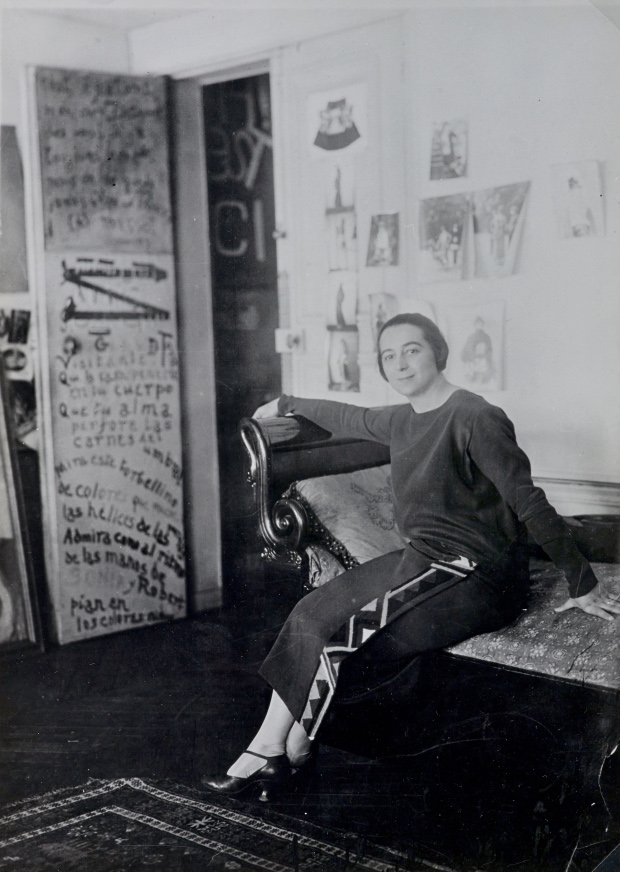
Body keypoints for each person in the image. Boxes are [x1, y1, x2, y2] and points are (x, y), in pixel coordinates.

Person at [201, 313, 618, 801]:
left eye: (412, 349)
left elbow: (529, 502)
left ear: (438, 352)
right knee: (310, 612)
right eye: (388, 355)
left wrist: (582, 582)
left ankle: (271, 751)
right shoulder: (401, 420)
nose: (400, 363)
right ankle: (287, 749)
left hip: (477, 575)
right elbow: (345, 416)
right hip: (423, 558)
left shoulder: (475, 416)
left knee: (343, 638)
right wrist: (288, 402)